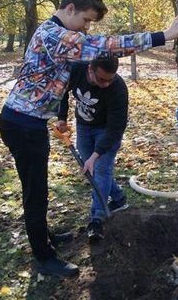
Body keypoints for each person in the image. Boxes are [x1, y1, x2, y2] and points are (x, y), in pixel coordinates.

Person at [0, 0, 178, 278]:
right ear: (70, 9)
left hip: (27, 122)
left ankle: (44, 236)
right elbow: (104, 46)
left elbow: (65, 76)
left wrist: (56, 116)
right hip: (24, 125)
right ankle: (44, 256)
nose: (86, 27)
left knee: (36, 188)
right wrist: (164, 36)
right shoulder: (55, 35)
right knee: (35, 193)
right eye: (86, 20)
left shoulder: (53, 35)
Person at [57, 57, 128, 243]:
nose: (105, 84)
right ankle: (119, 198)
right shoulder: (76, 70)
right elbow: (62, 91)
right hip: (83, 126)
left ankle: (96, 218)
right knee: (95, 170)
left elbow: (115, 129)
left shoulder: (118, 89)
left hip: (106, 131)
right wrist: (61, 117)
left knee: (101, 169)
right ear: (90, 69)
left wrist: (95, 156)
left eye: (110, 79)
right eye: (101, 79)